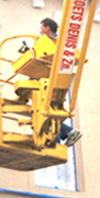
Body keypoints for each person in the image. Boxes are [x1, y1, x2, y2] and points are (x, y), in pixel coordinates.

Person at [39, 18, 82, 148]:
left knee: (48, 114)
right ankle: (66, 134)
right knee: (51, 114)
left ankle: (58, 140)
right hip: (60, 83)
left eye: (41, 28)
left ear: (47, 28)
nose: (40, 31)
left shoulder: (51, 43)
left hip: (52, 83)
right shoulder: (62, 43)